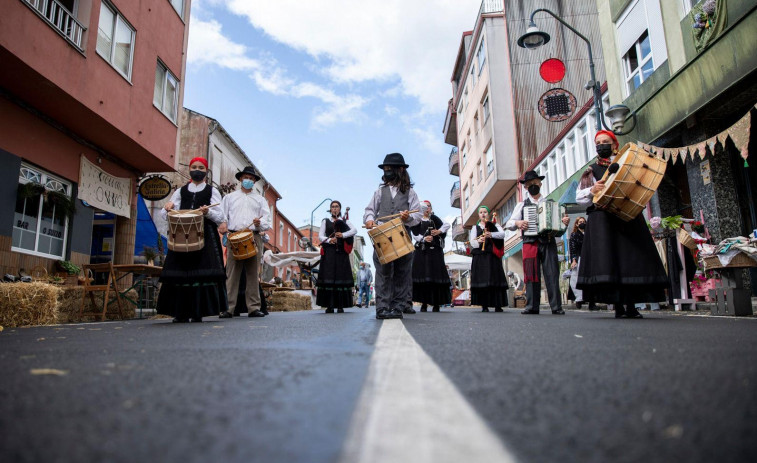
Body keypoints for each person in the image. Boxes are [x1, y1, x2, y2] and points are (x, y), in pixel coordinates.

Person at [575, 130, 668, 318]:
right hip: (602, 221)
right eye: (598, 142)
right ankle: (618, 306)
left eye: (605, 141)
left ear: (614, 145)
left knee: (628, 263)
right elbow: (579, 199)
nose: (601, 145)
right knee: (610, 262)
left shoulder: (627, 163)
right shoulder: (591, 171)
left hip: (626, 217)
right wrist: (592, 190)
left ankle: (632, 306)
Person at [157, 157, 226, 323]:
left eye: (201, 167)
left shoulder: (212, 191)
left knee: (200, 273)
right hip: (181, 235)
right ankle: (180, 313)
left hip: (205, 235)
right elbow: (164, 214)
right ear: (189, 169)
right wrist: (168, 208)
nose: (197, 170)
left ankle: (198, 312)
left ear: (206, 171)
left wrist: (207, 212)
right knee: (182, 273)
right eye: (194, 167)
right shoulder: (180, 191)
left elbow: (220, 216)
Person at [364, 152, 422, 319]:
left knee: (402, 273)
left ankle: (397, 307)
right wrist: (369, 220)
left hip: (403, 236)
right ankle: (382, 308)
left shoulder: (411, 192)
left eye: (390, 169)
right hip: (382, 237)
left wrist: (408, 217)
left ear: (400, 170)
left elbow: (417, 216)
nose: (387, 172)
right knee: (383, 272)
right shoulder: (379, 192)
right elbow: (369, 211)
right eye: (385, 169)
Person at [505, 170, 570, 315]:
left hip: (548, 241)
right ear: (526, 188)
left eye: (534, 183)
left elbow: (560, 226)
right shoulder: (521, 205)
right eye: (529, 185)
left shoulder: (551, 203)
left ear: (540, 183)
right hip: (530, 242)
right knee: (531, 275)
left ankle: (556, 307)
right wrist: (518, 222)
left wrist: (564, 222)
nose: (532, 186)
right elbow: (509, 223)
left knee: (552, 274)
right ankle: (532, 306)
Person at [218, 166, 272, 318]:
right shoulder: (229, 198)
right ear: (241, 179)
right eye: (246, 177)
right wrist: (222, 225)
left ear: (254, 181)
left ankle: (253, 307)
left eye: (251, 178)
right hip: (234, 236)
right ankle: (229, 308)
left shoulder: (260, 200)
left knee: (253, 272)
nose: (248, 180)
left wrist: (258, 224)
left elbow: (267, 221)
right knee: (232, 272)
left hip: (253, 236)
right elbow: (222, 216)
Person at [410, 201, 452, 312]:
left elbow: (447, 225)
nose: (426, 209)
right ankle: (424, 303)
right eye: (424, 207)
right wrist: (424, 239)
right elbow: (414, 234)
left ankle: (436, 303)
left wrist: (439, 231)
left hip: (435, 253)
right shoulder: (417, 220)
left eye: (428, 207)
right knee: (423, 278)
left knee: (435, 277)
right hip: (422, 252)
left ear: (431, 208)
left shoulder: (434, 218)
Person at [316, 200, 357, 313]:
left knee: (340, 277)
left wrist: (342, 235)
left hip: (341, 254)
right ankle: (329, 306)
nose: (334, 208)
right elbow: (320, 236)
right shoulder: (325, 221)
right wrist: (329, 240)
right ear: (330, 209)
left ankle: (340, 306)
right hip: (329, 253)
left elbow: (354, 230)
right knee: (329, 278)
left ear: (340, 209)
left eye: (337, 207)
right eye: (333, 207)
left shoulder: (345, 221)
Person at [469, 205, 508, 312]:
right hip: (480, 257)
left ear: (488, 214)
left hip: (492, 256)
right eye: (481, 212)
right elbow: (472, 242)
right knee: (483, 280)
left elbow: (502, 234)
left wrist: (490, 234)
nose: (483, 214)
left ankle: (497, 305)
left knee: (494, 279)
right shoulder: (474, 228)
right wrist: (479, 241)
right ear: (478, 215)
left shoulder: (495, 224)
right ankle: (484, 305)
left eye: (485, 212)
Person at [568, 216, 596, 310]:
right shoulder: (574, 234)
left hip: (590, 259)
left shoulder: (589, 234)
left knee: (591, 281)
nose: (582, 223)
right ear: (576, 224)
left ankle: (592, 302)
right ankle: (579, 299)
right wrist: (574, 260)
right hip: (580, 259)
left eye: (583, 221)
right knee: (577, 279)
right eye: (580, 222)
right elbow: (573, 248)